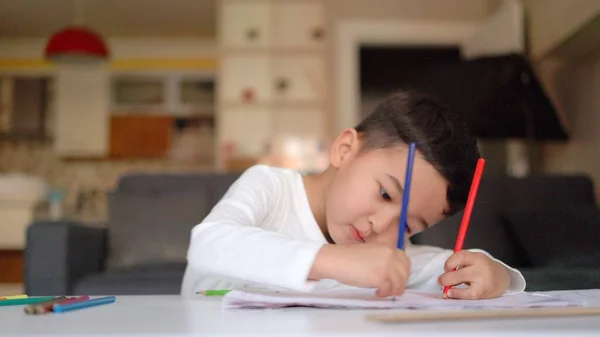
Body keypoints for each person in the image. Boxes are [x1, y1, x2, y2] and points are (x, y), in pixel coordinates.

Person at [181, 90, 526, 299]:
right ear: (345, 149)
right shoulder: (271, 187)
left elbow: (444, 266)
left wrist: (496, 273)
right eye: (386, 194)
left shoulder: (384, 250)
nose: (383, 230)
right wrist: (332, 261)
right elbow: (209, 244)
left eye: (408, 227)